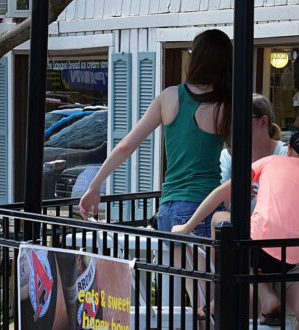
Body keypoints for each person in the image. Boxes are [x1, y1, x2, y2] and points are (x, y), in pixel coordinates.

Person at [173, 128, 299, 330]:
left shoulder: (271, 161)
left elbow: (220, 193)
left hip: (254, 249)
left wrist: (187, 227)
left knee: (219, 220)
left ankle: (240, 294)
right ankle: (247, 295)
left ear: (289, 148)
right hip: (285, 262)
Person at [79, 29, 231, 235]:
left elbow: (126, 146)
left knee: (176, 268)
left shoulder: (169, 96)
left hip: (168, 207)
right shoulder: (225, 105)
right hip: (203, 207)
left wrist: (95, 186)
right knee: (207, 268)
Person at [214, 93, 288, 223]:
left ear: (264, 121)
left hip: (274, 235)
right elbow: (221, 206)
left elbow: (288, 205)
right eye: (232, 120)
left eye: (242, 119)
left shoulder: (284, 154)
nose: (235, 126)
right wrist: (237, 194)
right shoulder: (228, 156)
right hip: (240, 237)